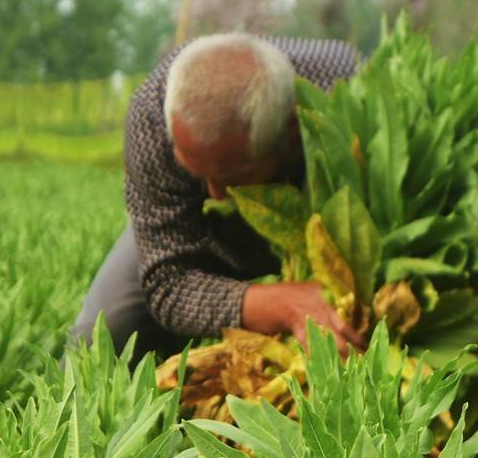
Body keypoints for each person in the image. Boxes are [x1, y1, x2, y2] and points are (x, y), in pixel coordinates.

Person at [69, 32, 369, 363]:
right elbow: (168, 283)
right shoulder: (151, 116)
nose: (213, 193)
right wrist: (284, 304)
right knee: (102, 334)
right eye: (198, 173)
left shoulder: (349, 91)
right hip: (207, 238)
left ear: (291, 132)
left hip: (332, 228)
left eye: (231, 177)